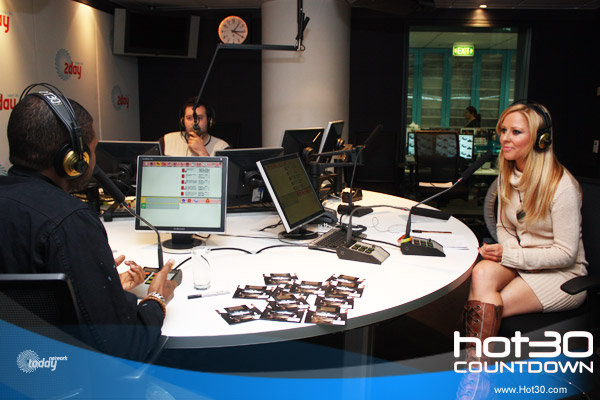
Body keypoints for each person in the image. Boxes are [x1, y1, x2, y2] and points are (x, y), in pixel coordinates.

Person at [0, 84, 177, 361]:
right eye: (92, 150)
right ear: (72, 159)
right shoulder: (69, 221)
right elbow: (124, 347)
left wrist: (94, 288)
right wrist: (156, 300)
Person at [457, 102, 588, 397]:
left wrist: (510, 256)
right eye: (503, 130)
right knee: (482, 273)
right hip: (525, 262)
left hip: (562, 274)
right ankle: (478, 379)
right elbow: (504, 227)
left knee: (485, 311)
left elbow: (566, 253)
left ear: (541, 139)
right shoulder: (508, 176)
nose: (505, 138)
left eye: (516, 132)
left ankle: (474, 383)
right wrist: (511, 251)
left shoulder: (562, 185)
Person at [161, 97, 230, 156]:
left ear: (209, 121)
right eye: (189, 118)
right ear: (182, 121)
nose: (194, 123)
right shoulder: (166, 141)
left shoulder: (222, 147)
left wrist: (202, 152)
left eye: (199, 118)